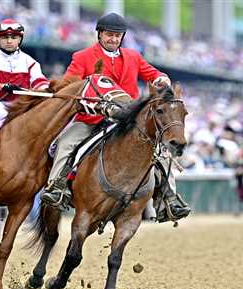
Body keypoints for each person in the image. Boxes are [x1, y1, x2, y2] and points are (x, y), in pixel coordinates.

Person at [40, 13, 191, 221]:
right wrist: (85, 104)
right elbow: (68, 86)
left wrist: (162, 80)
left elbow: (153, 74)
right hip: (92, 120)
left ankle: (168, 199)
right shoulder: (82, 57)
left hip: (128, 122)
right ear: (100, 34)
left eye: (117, 36)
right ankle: (56, 187)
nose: (113, 39)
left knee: (161, 151)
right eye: (109, 35)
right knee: (66, 143)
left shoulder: (133, 56)